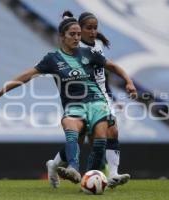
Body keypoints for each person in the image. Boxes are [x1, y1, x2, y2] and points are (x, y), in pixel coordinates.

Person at [0, 14, 136, 185]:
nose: (76, 38)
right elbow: (28, 75)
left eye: (77, 34)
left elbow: (113, 66)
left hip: (96, 101)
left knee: (102, 137)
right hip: (74, 105)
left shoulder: (89, 53)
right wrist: (3, 90)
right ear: (62, 36)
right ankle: (73, 169)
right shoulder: (52, 59)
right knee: (72, 131)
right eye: (72, 34)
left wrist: (129, 82)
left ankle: (94, 178)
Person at [46, 11, 131, 189]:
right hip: (83, 98)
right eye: (88, 28)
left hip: (101, 95)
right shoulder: (76, 48)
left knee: (112, 131)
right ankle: (56, 165)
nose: (92, 32)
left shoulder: (97, 46)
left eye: (95, 28)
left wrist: (112, 98)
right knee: (82, 139)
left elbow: (103, 74)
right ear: (79, 29)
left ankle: (110, 174)